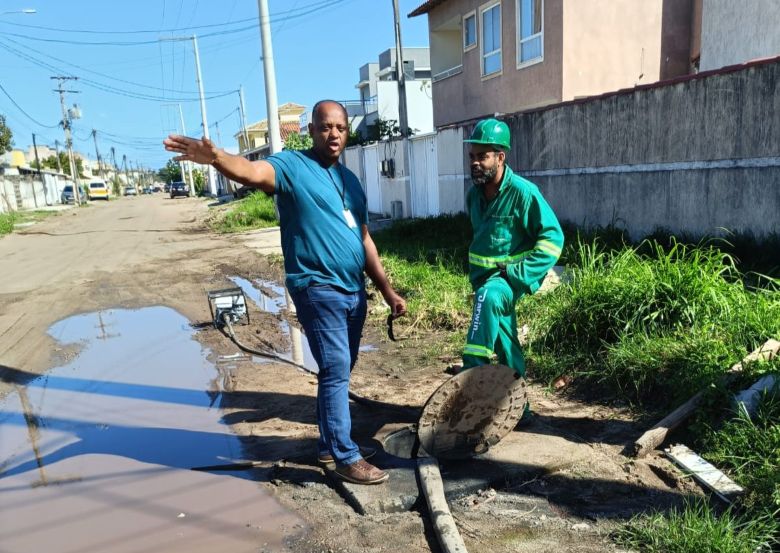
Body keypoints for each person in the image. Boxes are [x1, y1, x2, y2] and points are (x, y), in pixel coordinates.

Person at [163, 100, 406, 486]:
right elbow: (252, 172)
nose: (333, 135)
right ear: (311, 130)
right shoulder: (293, 166)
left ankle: (330, 444)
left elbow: (364, 240)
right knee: (337, 368)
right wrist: (218, 158)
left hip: (353, 291)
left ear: (348, 132)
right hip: (316, 286)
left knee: (338, 369)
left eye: (340, 128)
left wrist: (388, 291)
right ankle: (344, 456)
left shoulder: (352, 183)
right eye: (325, 127)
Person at [461, 118, 563, 378]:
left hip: (506, 279)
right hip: (481, 278)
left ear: (500, 157)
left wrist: (518, 273)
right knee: (505, 343)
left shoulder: (523, 193)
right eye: (472, 156)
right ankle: (520, 407)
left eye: (482, 156)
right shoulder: (474, 195)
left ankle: (471, 375)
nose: (474, 162)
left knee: (490, 298)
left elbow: (553, 239)